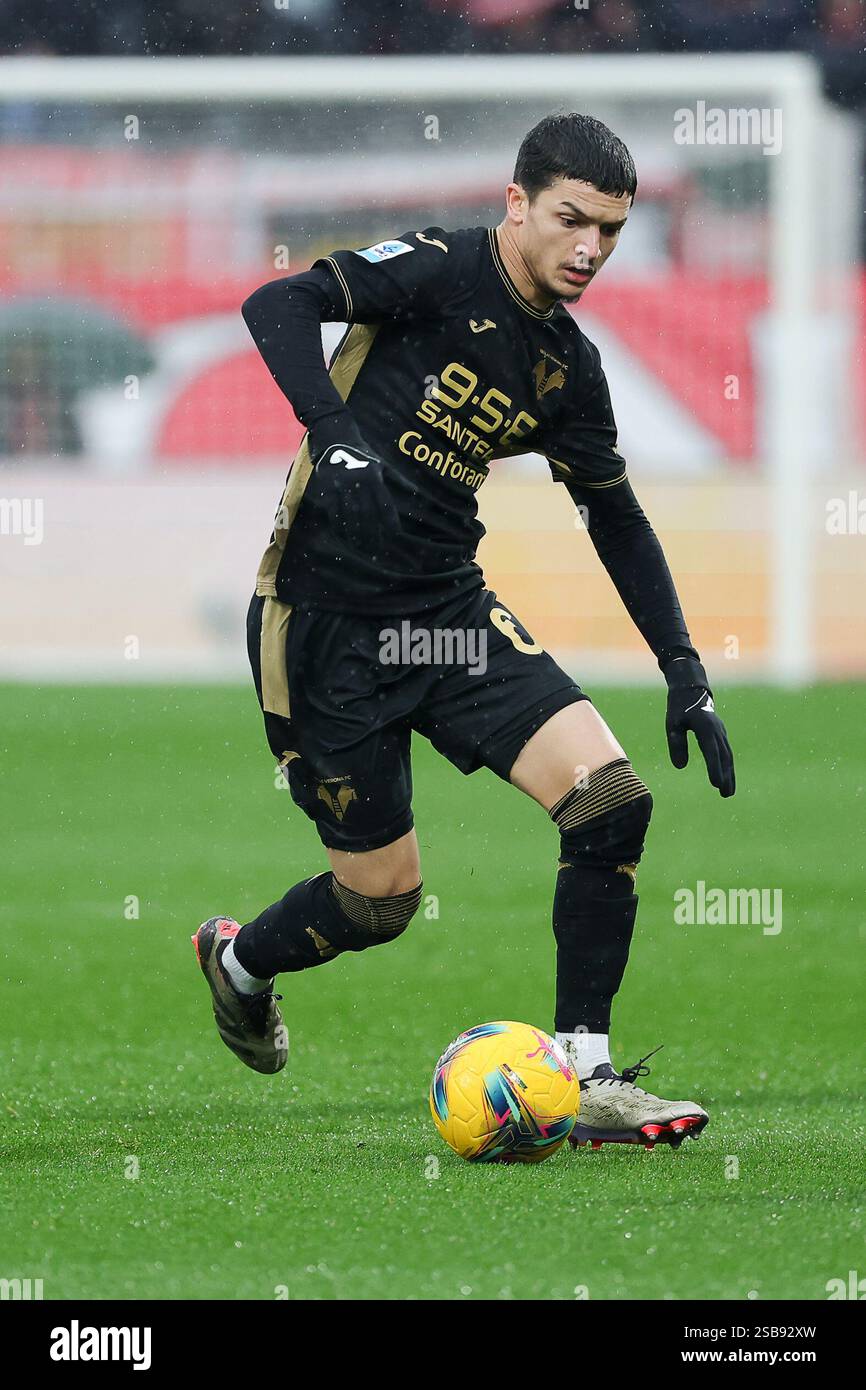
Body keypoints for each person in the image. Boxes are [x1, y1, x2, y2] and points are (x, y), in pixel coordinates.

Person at [192, 112, 735, 1150]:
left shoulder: (567, 369)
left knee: (610, 801)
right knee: (381, 899)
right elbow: (278, 301)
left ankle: (583, 1076)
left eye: (610, 231)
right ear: (515, 203)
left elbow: (612, 515)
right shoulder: (437, 268)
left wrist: (683, 667)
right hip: (326, 626)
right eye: (570, 220)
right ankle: (240, 964)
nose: (588, 249)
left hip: (442, 616)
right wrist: (336, 436)